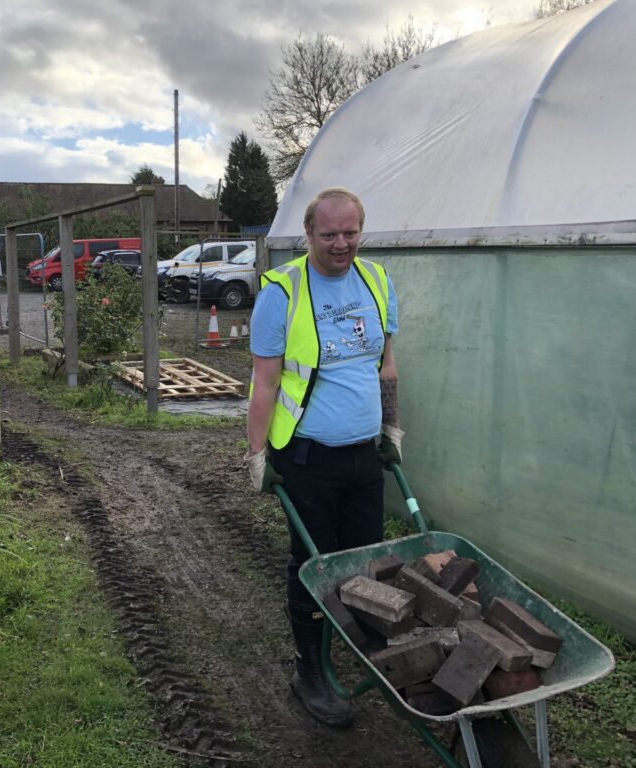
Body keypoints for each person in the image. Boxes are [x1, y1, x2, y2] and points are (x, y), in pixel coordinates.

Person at [244, 187, 402, 727]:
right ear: (308, 234)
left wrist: (391, 427)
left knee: (364, 560)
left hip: (363, 456)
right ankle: (309, 669)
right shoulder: (282, 292)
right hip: (307, 459)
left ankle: (360, 650)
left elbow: (385, 364)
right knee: (314, 564)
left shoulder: (376, 280)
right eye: (329, 234)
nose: (341, 244)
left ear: (361, 231)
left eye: (350, 232)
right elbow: (265, 382)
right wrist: (258, 454)